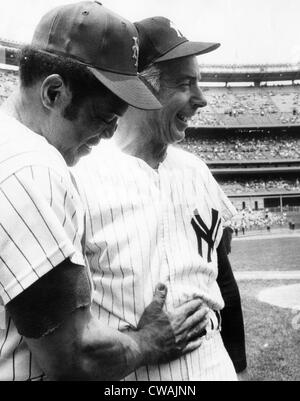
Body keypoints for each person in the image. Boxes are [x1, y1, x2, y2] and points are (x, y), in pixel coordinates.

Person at [0, 3, 209, 381]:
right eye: (103, 117)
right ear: (53, 92)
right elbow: (74, 357)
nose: (110, 134)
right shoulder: (34, 167)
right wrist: (150, 341)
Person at [73, 16, 246, 380]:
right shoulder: (79, 177)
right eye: (186, 84)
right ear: (141, 89)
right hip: (135, 376)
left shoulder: (196, 170)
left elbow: (222, 278)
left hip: (214, 363)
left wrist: (240, 368)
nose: (201, 99)